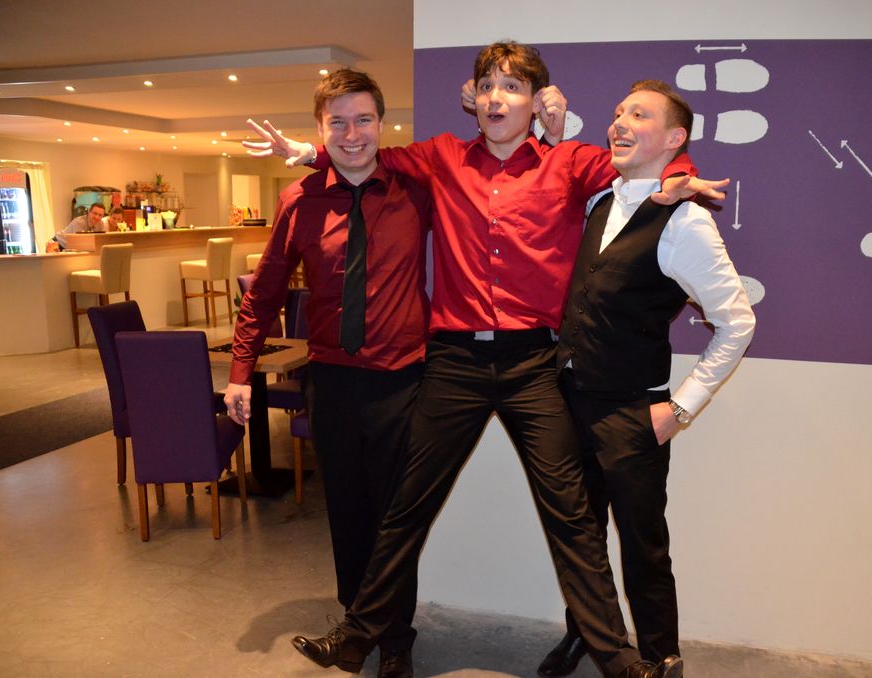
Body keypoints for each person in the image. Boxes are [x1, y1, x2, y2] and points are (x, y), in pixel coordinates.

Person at [246, 41, 726, 678]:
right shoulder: (441, 156)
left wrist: (677, 176)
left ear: (535, 100)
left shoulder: (570, 162)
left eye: (513, 87)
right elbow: (363, 154)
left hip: (534, 365)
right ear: (473, 99)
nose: (499, 98)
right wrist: (309, 150)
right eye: (488, 86)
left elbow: (640, 165)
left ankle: (619, 661)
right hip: (454, 363)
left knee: (571, 516)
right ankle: (360, 634)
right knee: (407, 505)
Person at [541, 80, 756, 677]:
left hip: (633, 412)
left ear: (674, 138)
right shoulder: (600, 203)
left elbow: (737, 322)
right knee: (581, 541)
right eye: (618, 112)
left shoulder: (686, 221)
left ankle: (662, 658)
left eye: (639, 114)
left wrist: (680, 408)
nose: (620, 122)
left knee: (643, 545)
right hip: (570, 402)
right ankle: (590, 636)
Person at [224, 68, 431, 678]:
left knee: (396, 517)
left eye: (363, 119)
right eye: (337, 122)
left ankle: (396, 640)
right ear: (320, 129)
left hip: (402, 380)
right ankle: (357, 625)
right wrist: (240, 370)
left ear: (382, 124)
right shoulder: (299, 199)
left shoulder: (417, 189)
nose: (352, 133)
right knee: (345, 511)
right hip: (332, 381)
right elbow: (264, 291)